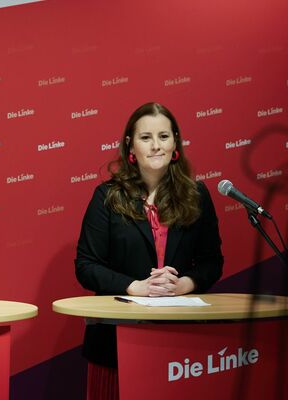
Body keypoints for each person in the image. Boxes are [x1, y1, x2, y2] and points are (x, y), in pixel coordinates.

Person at [75, 102, 224, 399]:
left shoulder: (197, 195)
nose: (156, 146)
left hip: (182, 345)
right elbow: (86, 266)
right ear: (131, 146)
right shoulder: (107, 196)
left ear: (175, 143)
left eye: (164, 137)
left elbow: (212, 261)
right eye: (146, 138)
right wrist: (135, 287)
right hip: (115, 340)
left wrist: (184, 284)